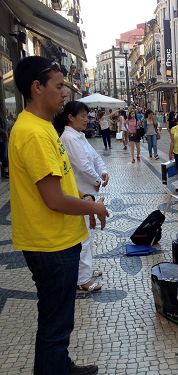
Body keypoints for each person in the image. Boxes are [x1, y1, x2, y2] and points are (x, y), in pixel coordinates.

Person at [9, 56, 108, 375]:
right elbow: (52, 199)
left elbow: (57, 183)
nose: (65, 93)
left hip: (56, 240)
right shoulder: (35, 133)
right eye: (59, 85)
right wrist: (92, 206)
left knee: (57, 320)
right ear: (37, 87)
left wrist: (82, 197)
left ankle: (60, 366)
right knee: (55, 324)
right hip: (51, 245)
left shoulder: (41, 126)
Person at [54, 101, 110, 292]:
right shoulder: (68, 138)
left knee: (89, 232)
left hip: (89, 193)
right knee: (84, 236)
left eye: (87, 116)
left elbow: (94, 157)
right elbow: (83, 166)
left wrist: (103, 171)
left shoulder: (79, 136)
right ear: (70, 117)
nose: (87, 119)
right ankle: (83, 280)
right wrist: (98, 180)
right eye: (83, 116)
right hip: (80, 194)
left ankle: (86, 271)